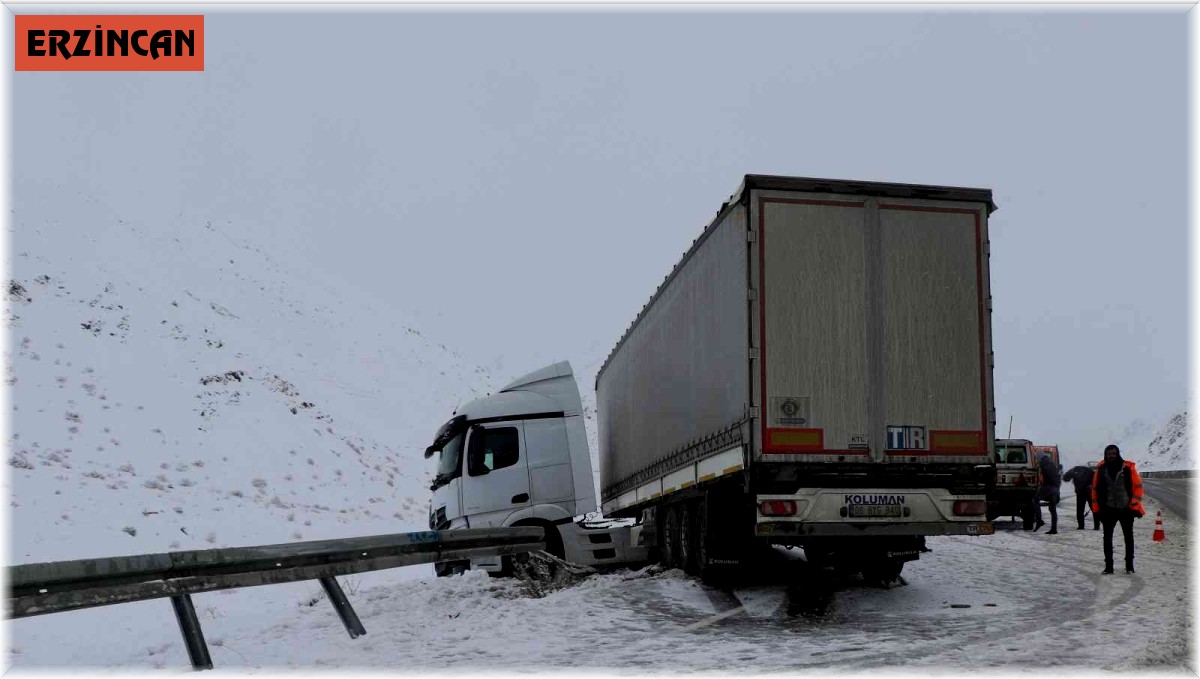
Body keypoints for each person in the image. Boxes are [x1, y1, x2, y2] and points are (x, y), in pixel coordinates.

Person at [1091, 444, 1146, 574]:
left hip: (1126, 509)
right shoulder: (1101, 469)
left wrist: (1133, 504)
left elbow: (1138, 487)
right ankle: (1109, 567)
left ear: (1118, 454)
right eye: (1109, 454)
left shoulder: (1127, 468)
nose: (1111, 456)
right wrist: (1097, 510)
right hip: (1108, 509)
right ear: (1106, 455)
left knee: (1128, 537)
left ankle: (1129, 566)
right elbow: (1094, 490)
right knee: (1107, 538)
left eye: (1114, 453)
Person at [1031, 450, 1061, 534]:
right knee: (1053, 509)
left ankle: (1039, 520)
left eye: (1037, 457)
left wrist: (1042, 486)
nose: (1036, 459)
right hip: (1055, 488)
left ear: (1039, 457)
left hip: (1048, 487)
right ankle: (1054, 529)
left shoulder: (1043, 464)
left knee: (1035, 499)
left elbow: (1043, 477)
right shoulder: (1051, 463)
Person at [1064, 463, 1100, 530]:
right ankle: (1097, 526)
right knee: (1094, 509)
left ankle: (1081, 526)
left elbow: (1065, 478)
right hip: (1089, 492)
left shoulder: (1074, 470)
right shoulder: (1090, 471)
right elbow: (1096, 481)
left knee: (1080, 510)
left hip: (1081, 492)